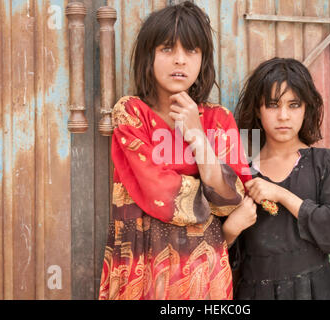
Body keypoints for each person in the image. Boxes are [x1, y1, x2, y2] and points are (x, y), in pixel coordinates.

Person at [98, 1, 250, 300]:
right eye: (167, 49)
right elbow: (158, 190)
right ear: (149, 56)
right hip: (140, 266)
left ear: (203, 60)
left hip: (204, 274)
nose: (179, 60)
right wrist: (215, 192)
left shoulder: (219, 119)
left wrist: (197, 136)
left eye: (191, 50)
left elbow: (232, 200)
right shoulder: (131, 113)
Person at [223, 57, 330, 300]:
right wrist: (230, 231)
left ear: (306, 108)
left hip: (315, 291)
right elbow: (214, 254)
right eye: (273, 105)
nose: (283, 116)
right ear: (257, 109)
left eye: (294, 105)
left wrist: (282, 195)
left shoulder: (324, 164)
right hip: (255, 292)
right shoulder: (241, 171)